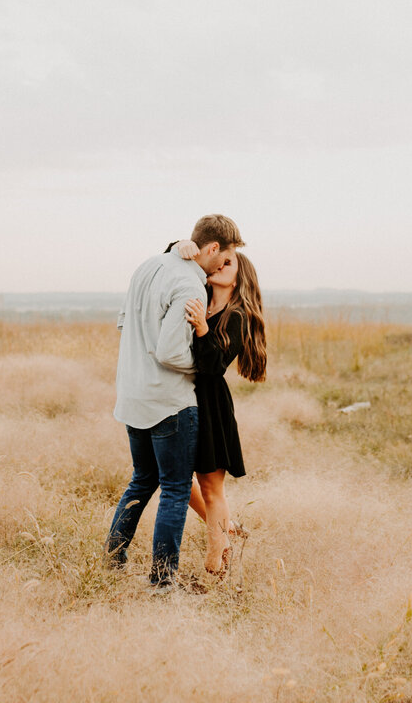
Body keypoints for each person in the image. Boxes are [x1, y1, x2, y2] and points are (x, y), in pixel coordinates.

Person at [106, 214, 245, 588]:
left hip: (133, 396)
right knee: (175, 490)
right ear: (213, 248)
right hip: (169, 402)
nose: (222, 266)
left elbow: (124, 323)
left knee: (141, 481)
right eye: (225, 257)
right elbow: (170, 353)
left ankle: (111, 561)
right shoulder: (191, 286)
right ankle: (163, 581)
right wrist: (200, 366)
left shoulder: (148, 265)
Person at [171, 242, 267, 575]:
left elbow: (213, 366)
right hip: (181, 397)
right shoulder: (200, 297)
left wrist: (201, 328)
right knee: (177, 480)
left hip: (211, 405)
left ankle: (217, 567)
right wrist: (177, 245)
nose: (220, 264)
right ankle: (229, 528)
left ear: (241, 278)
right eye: (220, 259)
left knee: (211, 487)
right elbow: (176, 262)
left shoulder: (237, 315)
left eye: (230, 262)